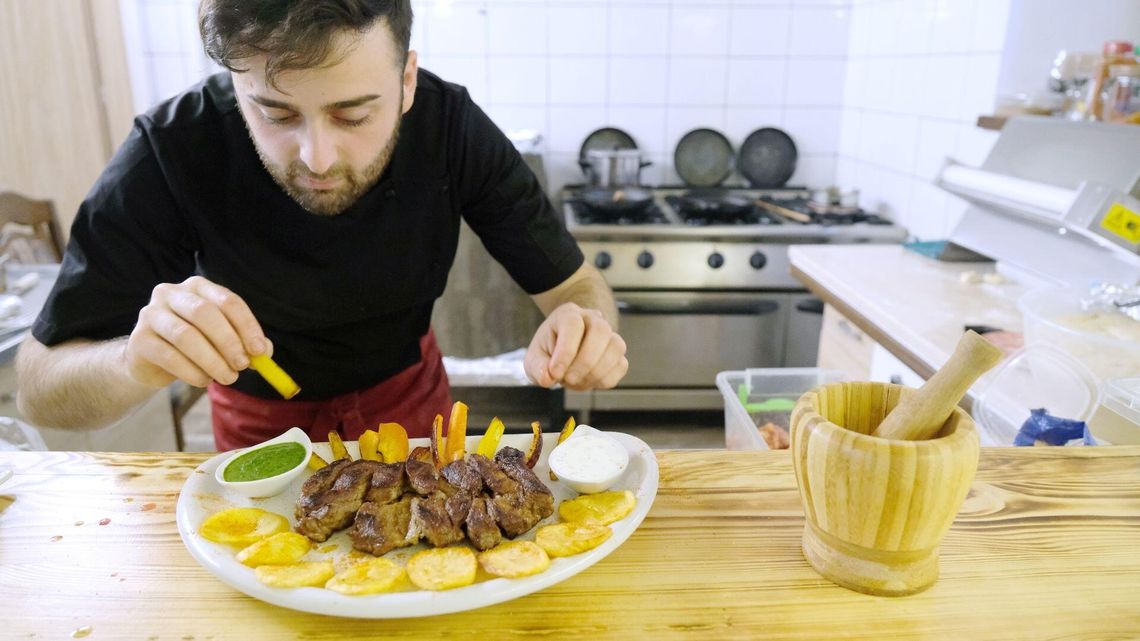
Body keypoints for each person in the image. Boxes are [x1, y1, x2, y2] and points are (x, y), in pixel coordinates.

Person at [15, 0, 628, 450]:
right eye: (275, 112)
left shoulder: (451, 127)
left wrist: (586, 328)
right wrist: (134, 363)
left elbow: (575, 288)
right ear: (236, 83)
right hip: (259, 424)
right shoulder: (173, 148)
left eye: (353, 115)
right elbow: (39, 387)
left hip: (409, 401)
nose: (317, 158)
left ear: (406, 80)